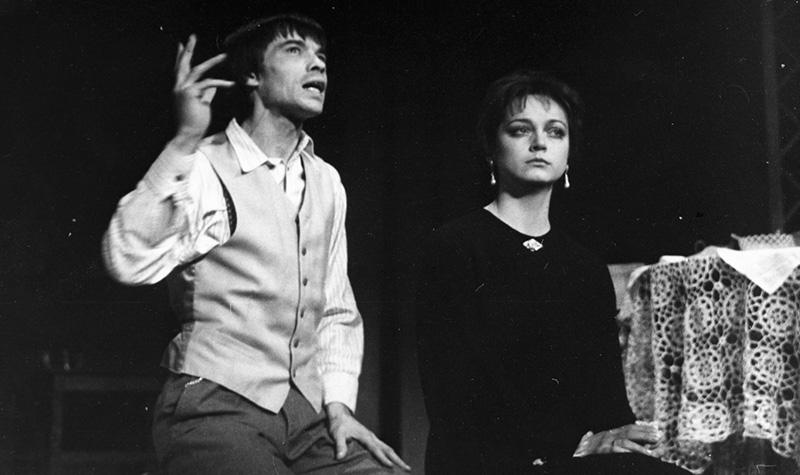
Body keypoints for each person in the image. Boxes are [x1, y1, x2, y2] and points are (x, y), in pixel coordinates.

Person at [103, 13, 409, 474]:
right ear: (252, 75)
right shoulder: (205, 165)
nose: (318, 65)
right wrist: (184, 139)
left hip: (305, 418)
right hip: (214, 406)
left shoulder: (326, 181)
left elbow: (335, 307)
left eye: (321, 56)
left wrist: (339, 407)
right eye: (295, 51)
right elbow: (126, 258)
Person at [415, 70, 689, 474]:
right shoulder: (453, 247)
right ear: (491, 147)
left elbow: (608, 403)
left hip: (567, 462)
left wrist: (614, 436)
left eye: (556, 132)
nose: (540, 143)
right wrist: (556, 452)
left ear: (568, 153)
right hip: (482, 463)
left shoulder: (585, 268)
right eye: (520, 130)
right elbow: (453, 399)